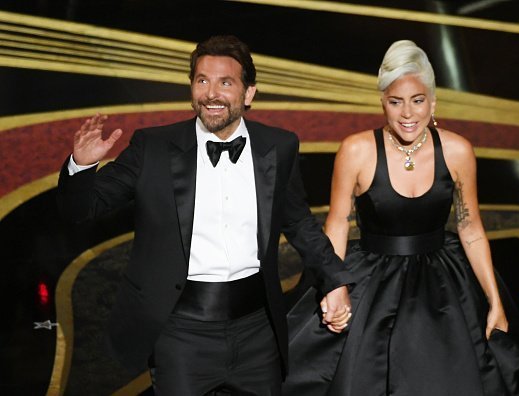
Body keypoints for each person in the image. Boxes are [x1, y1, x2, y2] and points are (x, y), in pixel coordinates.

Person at [56, 35, 353, 395]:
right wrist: (81, 167)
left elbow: (299, 222)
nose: (211, 93)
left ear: (249, 94)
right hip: (180, 333)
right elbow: (81, 210)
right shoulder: (153, 147)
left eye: (225, 82)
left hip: (258, 331)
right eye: (202, 81)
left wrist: (334, 280)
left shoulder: (279, 146)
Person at [282, 40, 519, 395]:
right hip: (370, 277)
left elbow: (470, 226)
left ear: (433, 101)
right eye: (396, 102)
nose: (408, 114)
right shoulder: (356, 149)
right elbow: (336, 222)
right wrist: (334, 287)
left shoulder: (458, 150)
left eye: (418, 101)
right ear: (382, 101)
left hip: (446, 281)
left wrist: (494, 300)